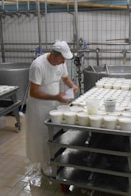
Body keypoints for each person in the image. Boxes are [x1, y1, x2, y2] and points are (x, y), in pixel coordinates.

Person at [25, 40, 78, 176]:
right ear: (54, 55)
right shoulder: (38, 65)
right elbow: (34, 92)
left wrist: (72, 86)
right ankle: (44, 164)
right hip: (38, 106)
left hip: (53, 103)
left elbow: (65, 78)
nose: (63, 62)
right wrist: (56, 97)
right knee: (42, 135)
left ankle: (53, 158)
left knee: (53, 133)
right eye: (62, 59)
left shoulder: (61, 62)